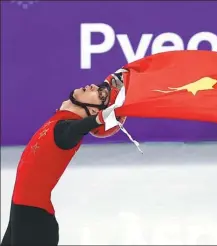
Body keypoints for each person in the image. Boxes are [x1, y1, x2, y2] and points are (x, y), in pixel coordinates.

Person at [0, 69, 128, 245]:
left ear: (93, 110)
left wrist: (101, 119)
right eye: (99, 88)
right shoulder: (61, 121)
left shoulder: (67, 133)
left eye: (100, 94)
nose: (93, 86)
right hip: (22, 215)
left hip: (34, 224)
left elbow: (76, 129)